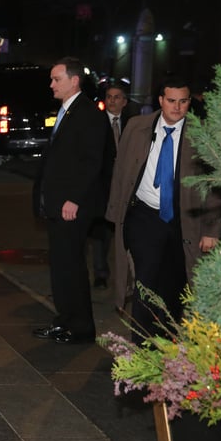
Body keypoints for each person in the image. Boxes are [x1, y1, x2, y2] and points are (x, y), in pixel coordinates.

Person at [105, 77, 221, 343]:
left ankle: (170, 346)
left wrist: (211, 229)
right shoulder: (137, 127)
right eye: (171, 101)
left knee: (175, 286)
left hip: (183, 221)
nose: (177, 107)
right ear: (160, 100)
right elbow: (120, 171)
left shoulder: (201, 135)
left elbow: (214, 187)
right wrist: (115, 213)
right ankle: (141, 347)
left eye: (183, 101)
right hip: (144, 215)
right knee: (145, 280)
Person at [32, 57, 109, 345]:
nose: (51, 84)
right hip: (57, 202)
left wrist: (73, 198)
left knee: (72, 265)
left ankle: (81, 327)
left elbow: (91, 163)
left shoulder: (88, 114)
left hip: (71, 205)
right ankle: (64, 320)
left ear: (74, 81)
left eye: (56, 79)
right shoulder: (67, 110)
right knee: (61, 264)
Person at [90, 83, 132, 289]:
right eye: (109, 97)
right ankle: (100, 273)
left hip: (126, 187)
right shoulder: (96, 123)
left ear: (124, 101)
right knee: (101, 233)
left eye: (117, 97)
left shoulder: (133, 124)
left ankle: (130, 276)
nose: (112, 100)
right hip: (103, 187)